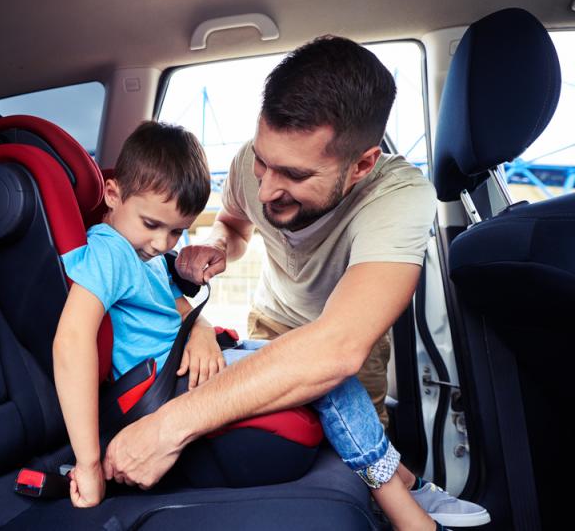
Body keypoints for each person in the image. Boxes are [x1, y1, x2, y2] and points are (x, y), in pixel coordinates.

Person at [101, 38, 490, 529]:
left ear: (362, 164)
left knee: (357, 466)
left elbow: (336, 348)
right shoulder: (249, 166)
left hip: (344, 341)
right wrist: (218, 247)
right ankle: (407, 488)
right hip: (268, 322)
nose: (265, 188)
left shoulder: (399, 195)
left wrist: (165, 430)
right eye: (263, 162)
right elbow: (237, 224)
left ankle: (407, 493)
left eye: (293, 174)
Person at [53, 120, 445, 530]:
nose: (163, 244)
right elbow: (72, 342)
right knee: (330, 380)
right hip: (162, 389)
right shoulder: (110, 250)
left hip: (187, 370)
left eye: (177, 232)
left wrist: (201, 331)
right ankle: (405, 507)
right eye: (152, 225)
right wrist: (89, 463)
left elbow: (178, 307)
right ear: (112, 194)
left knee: (305, 357)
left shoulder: (143, 255)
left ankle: (397, 479)